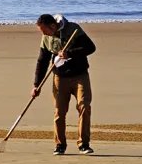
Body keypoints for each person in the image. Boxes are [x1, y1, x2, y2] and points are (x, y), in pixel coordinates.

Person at [32, 14, 97, 155]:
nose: (44, 34)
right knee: (59, 112)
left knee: (84, 106)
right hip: (60, 77)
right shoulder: (46, 38)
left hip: (80, 75)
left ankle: (83, 144)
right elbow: (42, 61)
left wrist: (70, 53)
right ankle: (60, 145)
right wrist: (36, 85)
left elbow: (91, 48)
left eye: (44, 30)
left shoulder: (73, 29)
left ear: (53, 26)